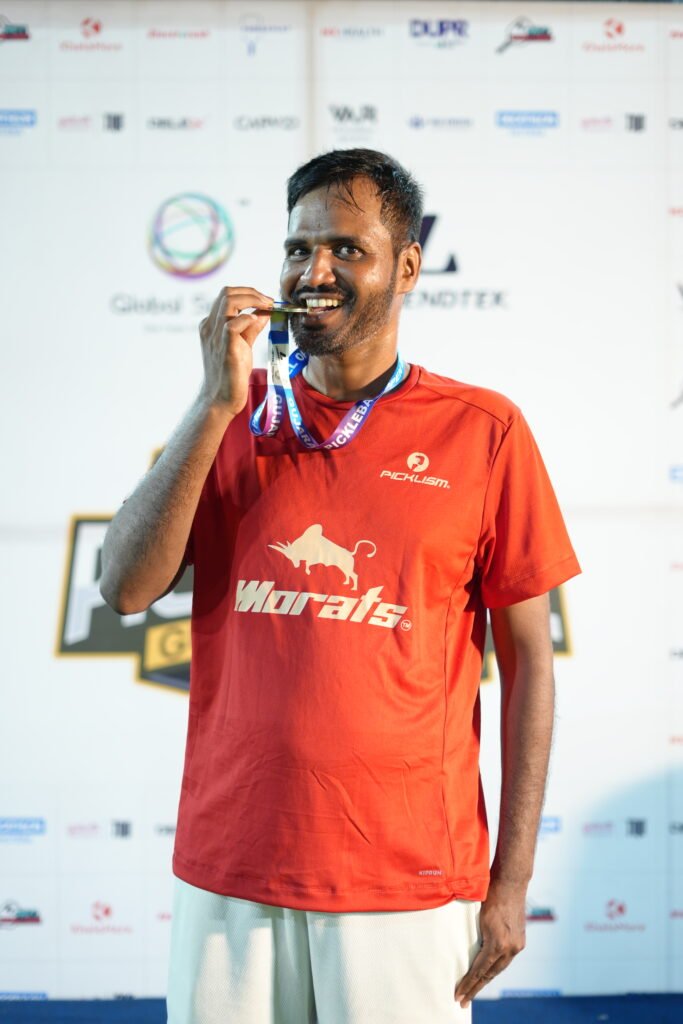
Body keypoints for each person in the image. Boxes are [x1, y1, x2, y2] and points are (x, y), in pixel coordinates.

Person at [100, 148, 580, 1023]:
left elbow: (530, 668)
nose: (313, 271)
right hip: (231, 872)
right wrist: (212, 403)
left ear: (407, 267)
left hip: (405, 882)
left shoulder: (484, 431)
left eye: (346, 249)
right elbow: (124, 590)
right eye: (298, 248)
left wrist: (510, 880)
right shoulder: (231, 416)